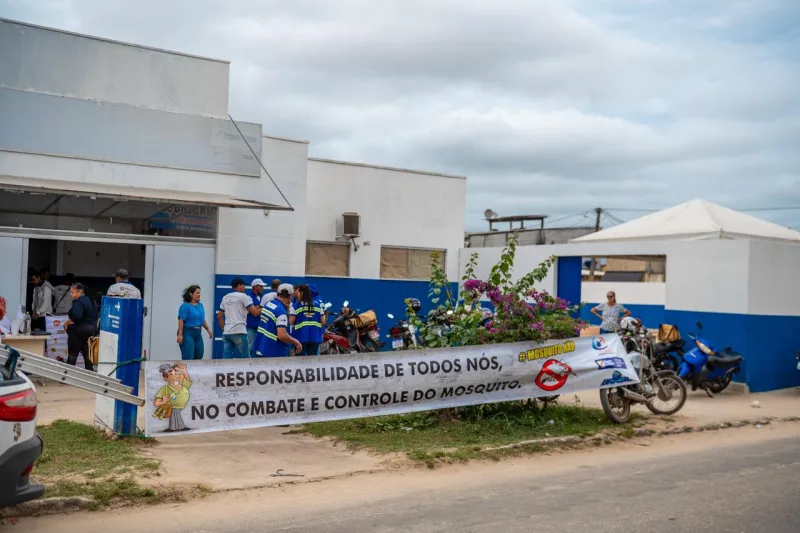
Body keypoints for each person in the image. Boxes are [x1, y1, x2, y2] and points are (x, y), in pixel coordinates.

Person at [217, 278, 260, 359]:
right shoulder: (243, 296)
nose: (245, 287)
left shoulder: (225, 297)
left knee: (226, 358)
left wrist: (224, 328)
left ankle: (225, 371)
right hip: (239, 331)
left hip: (227, 332)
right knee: (245, 358)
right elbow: (255, 313)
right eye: (244, 285)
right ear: (239, 286)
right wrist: (266, 308)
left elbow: (219, 316)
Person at [255, 283, 302, 357]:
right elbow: (282, 335)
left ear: (277, 293)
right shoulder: (281, 312)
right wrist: (296, 342)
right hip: (273, 352)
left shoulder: (268, 304)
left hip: (260, 347)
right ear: (290, 296)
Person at [63, 282, 97, 371]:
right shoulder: (91, 299)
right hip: (91, 330)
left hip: (78, 331)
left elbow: (77, 316)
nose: (71, 295)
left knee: (73, 353)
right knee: (87, 354)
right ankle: (90, 375)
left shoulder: (79, 301)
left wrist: (67, 322)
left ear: (79, 291)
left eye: (72, 292)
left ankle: (67, 375)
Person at [153, 363, 192, 432]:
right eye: (171, 374)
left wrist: (184, 371)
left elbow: (188, 380)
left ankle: (176, 427)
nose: (176, 374)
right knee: (174, 413)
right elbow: (156, 403)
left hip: (180, 406)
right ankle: (174, 427)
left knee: (175, 413)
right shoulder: (165, 388)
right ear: (165, 379)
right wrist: (163, 402)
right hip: (172, 406)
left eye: (176, 373)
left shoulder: (183, 386)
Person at [177, 285, 212, 360]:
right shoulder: (185, 306)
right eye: (197, 293)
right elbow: (181, 320)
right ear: (191, 294)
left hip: (198, 333)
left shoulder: (200, 305)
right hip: (187, 332)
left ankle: (196, 372)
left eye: (200, 293)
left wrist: (208, 329)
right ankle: (186, 371)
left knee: (199, 355)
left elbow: (202, 320)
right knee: (189, 356)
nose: (199, 295)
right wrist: (180, 334)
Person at [290, 284, 325, 356]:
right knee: (313, 360)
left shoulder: (296, 305)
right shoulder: (317, 305)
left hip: (300, 337)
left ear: (302, 293)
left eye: (298, 292)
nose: (297, 294)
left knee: (300, 361)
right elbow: (323, 321)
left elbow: (291, 322)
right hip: (315, 337)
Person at [246, 279, 265, 356]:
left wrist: (255, 307)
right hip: (252, 326)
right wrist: (262, 307)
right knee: (250, 347)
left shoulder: (263, 296)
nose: (262, 288)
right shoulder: (248, 297)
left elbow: (253, 308)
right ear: (255, 287)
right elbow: (252, 311)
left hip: (261, 326)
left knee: (260, 348)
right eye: (260, 286)